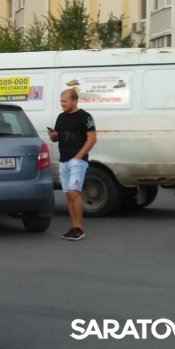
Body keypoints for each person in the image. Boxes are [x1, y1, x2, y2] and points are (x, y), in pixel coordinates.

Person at [47, 88, 97, 241]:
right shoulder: (61, 117)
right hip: (64, 160)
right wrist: (53, 136)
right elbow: (56, 139)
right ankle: (74, 227)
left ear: (75, 101)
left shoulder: (85, 117)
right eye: (61, 101)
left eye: (65, 101)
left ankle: (79, 228)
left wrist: (78, 157)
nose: (62, 104)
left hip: (77, 161)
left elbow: (92, 138)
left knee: (74, 192)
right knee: (69, 195)